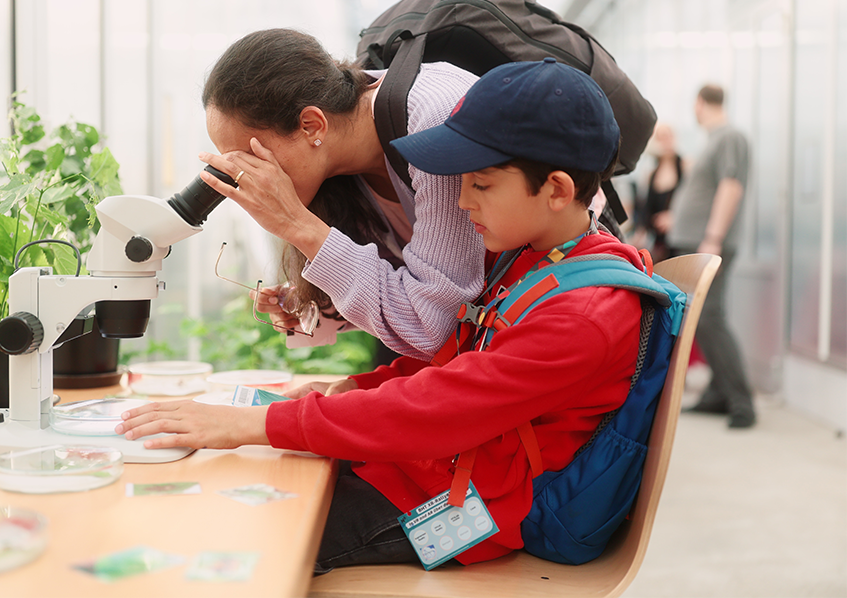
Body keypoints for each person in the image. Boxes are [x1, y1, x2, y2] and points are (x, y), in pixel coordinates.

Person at [116, 59, 645, 569]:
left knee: (257, 534)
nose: (459, 203)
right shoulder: (534, 262)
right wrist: (348, 390)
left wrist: (255, 423)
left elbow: (436, 408)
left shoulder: (583, 316)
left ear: (556, 190)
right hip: (443, 465)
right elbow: (451, 361)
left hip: (479, 504)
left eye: (479, 184)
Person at [196, 28, 485, 362]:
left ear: (311, 125)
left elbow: (434, 325)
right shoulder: (339, 163)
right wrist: (322, 309)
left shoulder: (433, 121)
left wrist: (298, 225)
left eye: (252, 157)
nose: (250, 176)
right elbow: (411, 292)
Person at [667, 84, 755, 429]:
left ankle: (741, 402)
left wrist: (713, 237)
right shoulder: (716, 139)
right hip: (699, 239)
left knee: (709, 318)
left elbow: (731, 186)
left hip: (709, 241)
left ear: (700, 103)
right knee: (704, 318)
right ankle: (718, 394)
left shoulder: (729, 136)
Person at [633, 122, 684, 262]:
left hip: (679, 239)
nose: (665, 142)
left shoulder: (685, 166)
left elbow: (691, 202)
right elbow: (644, 209)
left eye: (667, 136)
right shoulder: (650, 174)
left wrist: (674, 216)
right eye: (660, 138)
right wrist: (640, 233)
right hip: (657, 242)